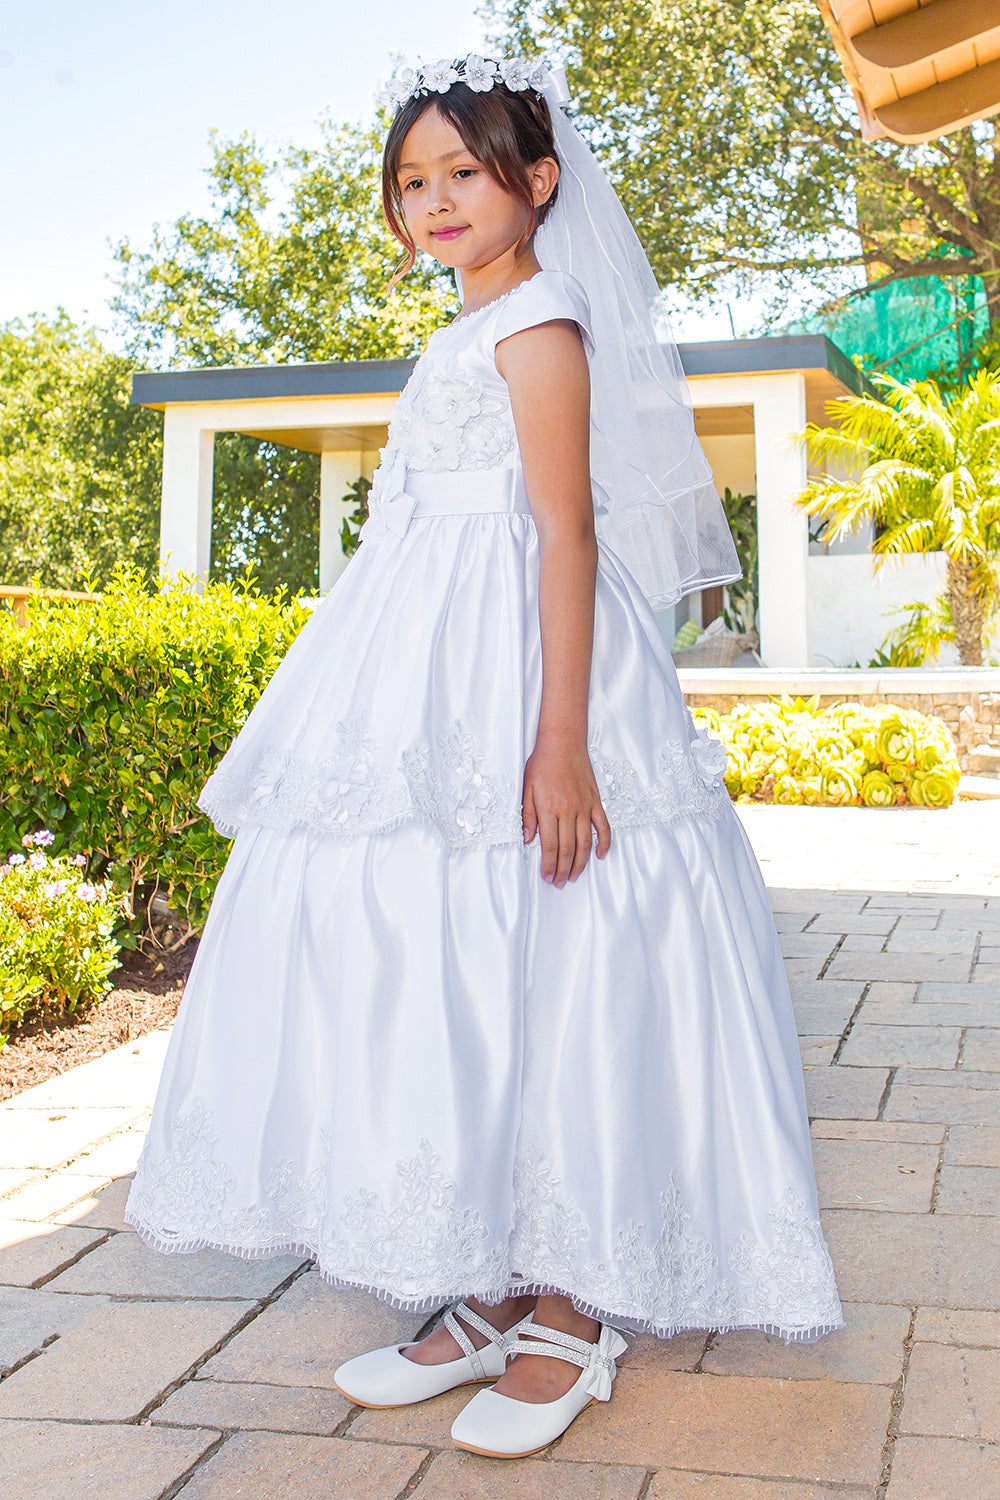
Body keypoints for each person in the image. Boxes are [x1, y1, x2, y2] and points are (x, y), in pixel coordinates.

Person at [125, 53, 843, 1460]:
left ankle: (574, 1309)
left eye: (464, 173)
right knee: (439, 952)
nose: (434, 201)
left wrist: (560, 745)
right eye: (413, 181)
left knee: (562, 956)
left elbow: (564, 534)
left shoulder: (545, 322)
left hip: (526, 671)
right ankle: (490, 1281)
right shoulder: (468, 327)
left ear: (540, 183)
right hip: (418, 665)